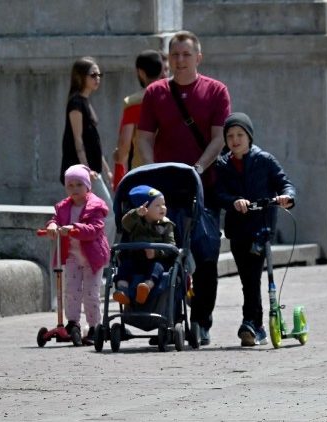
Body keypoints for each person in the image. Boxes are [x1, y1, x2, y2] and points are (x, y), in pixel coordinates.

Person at [137, 30, 231, 346]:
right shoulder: (155, 93)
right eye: (174, 55)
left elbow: (219, 137)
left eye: (186, 55)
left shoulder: (216, 91)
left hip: (203, 187)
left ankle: (201, 321)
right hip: (165, 190)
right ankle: (170, 320)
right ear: (168, 59)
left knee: (205, 256)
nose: (180, 61)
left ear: (198, 58)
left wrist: (200, 167)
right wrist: (152, 170)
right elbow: (145, 138)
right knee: (165, 255)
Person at [215, 113, 296, 347]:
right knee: (246, 278)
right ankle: (255, 323)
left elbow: (284, 182)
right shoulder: (224, 165)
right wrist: (234, 201)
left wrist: (287, 197)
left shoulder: (264, 160)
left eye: (240, 135)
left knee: (252, 277)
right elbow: (219, 193)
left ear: (249, 137)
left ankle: (252, 323)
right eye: (230, 136)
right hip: (238, 230)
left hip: (261, 229)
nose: (235, 140)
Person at [45, 164, 110, 345]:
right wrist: (51, 226)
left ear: (87, 186)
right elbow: (55, 220)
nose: (74, 189)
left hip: (92, 257)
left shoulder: (95, 206)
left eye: (79, 185)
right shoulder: (64, 207)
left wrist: (74, 229)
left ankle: (94, 326)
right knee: (71, 291)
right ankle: (73, 322)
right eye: (70, 185)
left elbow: (95, 229)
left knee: (91, 293)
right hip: (72, 255)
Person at [112, 50, 169, 190]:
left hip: (142, 172)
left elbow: (124, 146)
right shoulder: (175, 97)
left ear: (141, 73)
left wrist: (117, 156)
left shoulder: (133, 102)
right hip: (172, 169)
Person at [112, 185, 176, 306]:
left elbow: (171, 246)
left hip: (156, 260)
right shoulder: (136, 222)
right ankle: (122, 290)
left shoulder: (167, 225)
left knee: (157, 268)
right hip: (135, 259)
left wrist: (156, 252)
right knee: (125, 266)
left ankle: (146, 287)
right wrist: (136, 213)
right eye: (157, 205)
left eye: (164, 204)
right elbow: (125, 223)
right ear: (145, 209)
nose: (162, 208)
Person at [59, 56, 112, 185]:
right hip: (81, 173)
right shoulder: (76, 103)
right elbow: (78, 139)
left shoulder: (85, 101)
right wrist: (86, 169)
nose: (97, 78)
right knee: (106, 205)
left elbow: (94, 140)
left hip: (92, 170)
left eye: (99, 74)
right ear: (81, 77)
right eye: (93, 75)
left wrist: (107, 171)